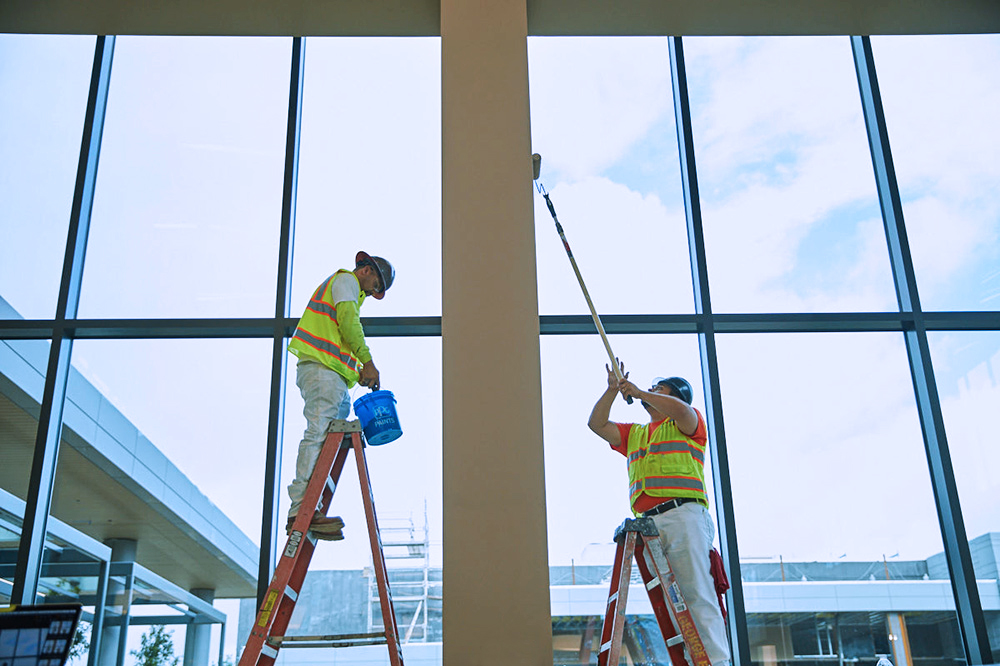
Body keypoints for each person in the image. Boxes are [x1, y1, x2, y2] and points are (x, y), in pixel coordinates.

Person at [588, 361, 731, 665]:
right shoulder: (637, 434)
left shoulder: (687, 423)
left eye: (659, 389)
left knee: (697, 595)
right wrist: (612, 390)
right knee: (674, 600)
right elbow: (597, 424)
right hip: (650, 524)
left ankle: (716, 662)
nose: (651, 392)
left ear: (676, 397)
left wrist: (639, 391)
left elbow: (681, 410)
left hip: (684, 516)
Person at [285, 250, 395, 540]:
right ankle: (300, 510)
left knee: (326, 436)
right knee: (318, 433)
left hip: (329, 373)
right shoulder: (346, 281)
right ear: (367, 271)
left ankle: (311, 506)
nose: (371, 295)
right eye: (374, 289)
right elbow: (349, 324)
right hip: (321, 371)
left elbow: (339, 337)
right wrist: (368, 361)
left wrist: (357, 369)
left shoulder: (347, 290)